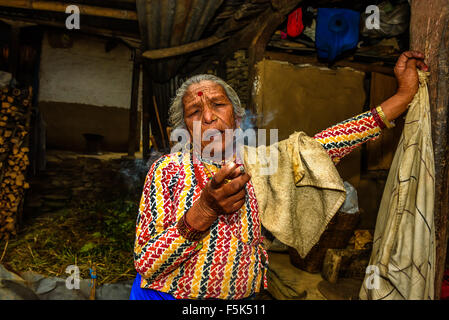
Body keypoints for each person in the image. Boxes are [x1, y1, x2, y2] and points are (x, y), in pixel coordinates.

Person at [130, 51, 428, 300]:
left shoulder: (260, 163)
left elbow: (328, 144)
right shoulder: (169, 169)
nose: (208, 116)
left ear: (237, 117)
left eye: (218, 105)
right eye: (195, 112)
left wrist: (402, 97)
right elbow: (147, 262)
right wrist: (204, 210)